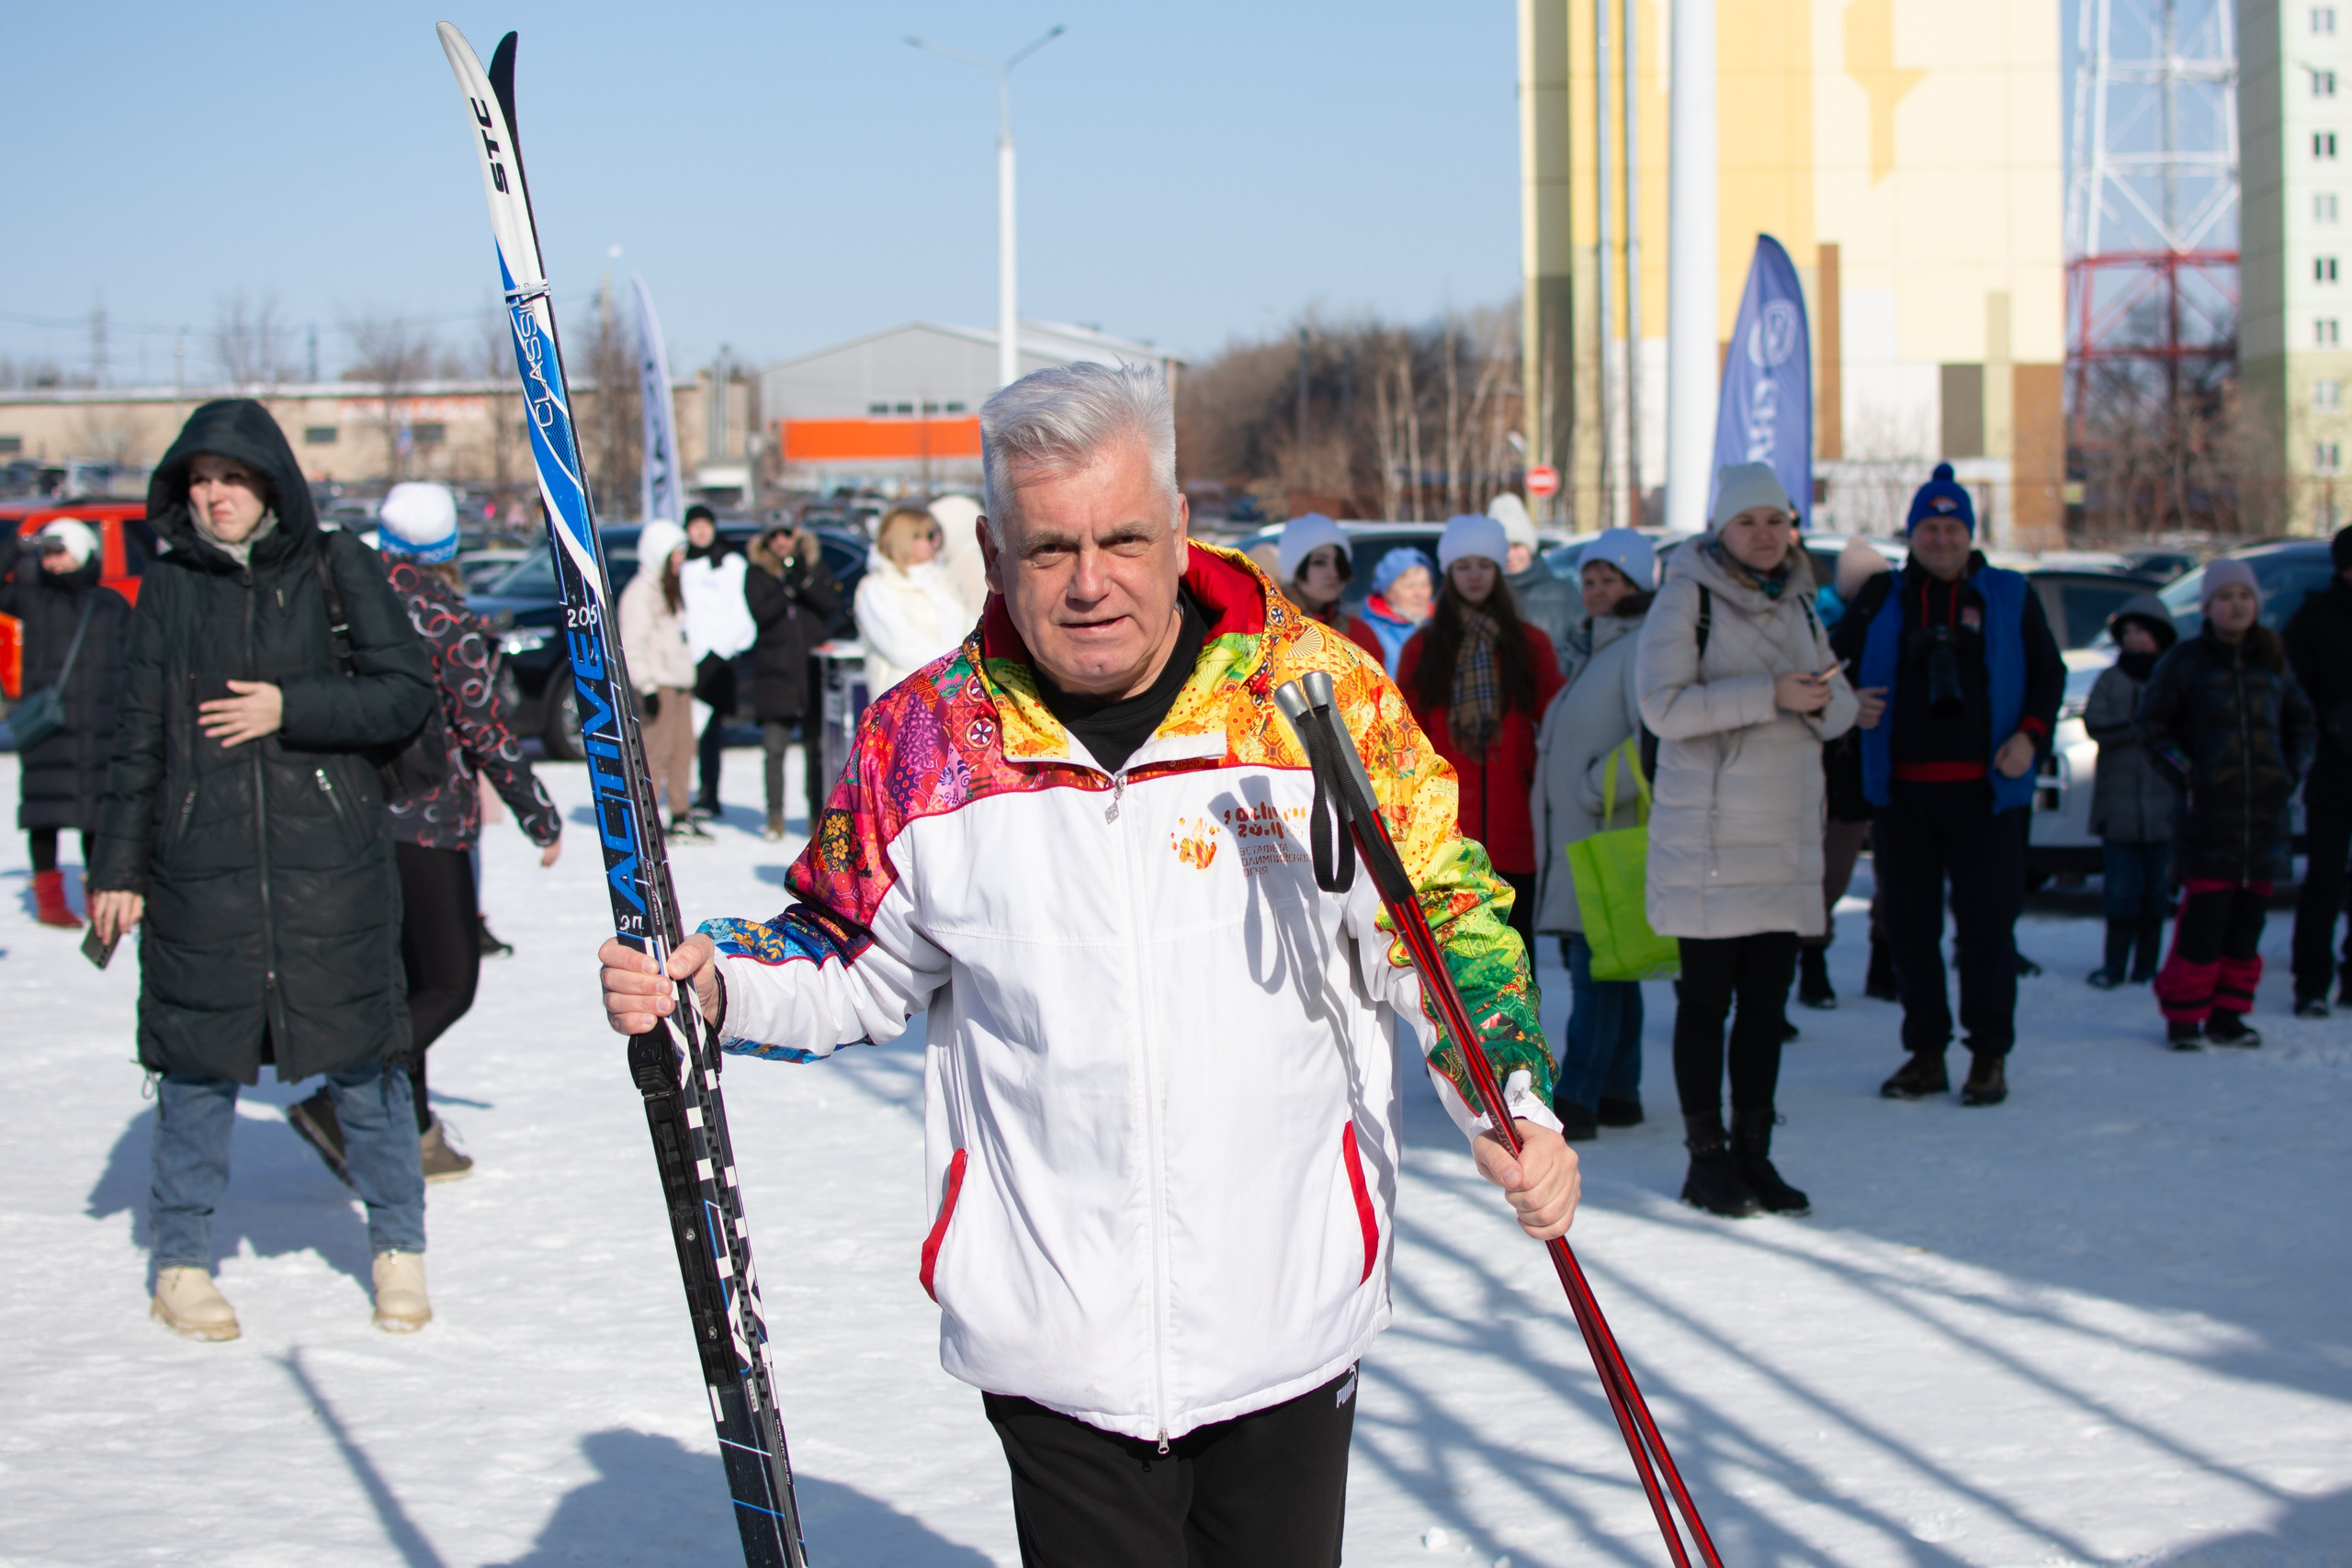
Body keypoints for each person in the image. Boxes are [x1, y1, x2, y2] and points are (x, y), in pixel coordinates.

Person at [597, 362, 1577, 1565]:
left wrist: (1509, 1094)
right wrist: (711, 980)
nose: (1090, 580)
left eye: (1121, 536)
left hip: (1287, 1310)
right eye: (1050, 547)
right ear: (997, 552)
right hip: (1054, 1333)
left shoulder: (1312, 698)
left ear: (1177, 531)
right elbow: (848, 952)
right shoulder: (927, 739)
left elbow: (1440, 912)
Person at [85, 399, 437, 1340]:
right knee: (195, 1074)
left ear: (270, 482)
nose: (214, 497)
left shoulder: (336, 565)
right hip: (201, 872)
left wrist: (292, 705)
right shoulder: (167, 590)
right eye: (199, 482)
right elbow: (134, 739)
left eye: (231, 479)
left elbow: (404, 694)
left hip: (333, 872)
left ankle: (398, 1249)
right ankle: (182, 1265)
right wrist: (116, 866)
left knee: (366, 1072)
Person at [282, 480, 565, 1186]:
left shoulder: (335, 601)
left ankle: (413, 1133)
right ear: (448, 548)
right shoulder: (441, 614)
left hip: (346, 816)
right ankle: (340, 1103)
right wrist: (537, 812)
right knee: (448, 981)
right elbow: (484, 725)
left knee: (402, 981)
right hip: (429, 820)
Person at [1638, 463, 1858, 1218]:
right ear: (1721, 530)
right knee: (1706, 1003)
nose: (1764, 536)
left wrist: (1836, 701)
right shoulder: (1686, 595)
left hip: (1786, 836)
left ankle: (1754, 1152)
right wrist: (1769, 695)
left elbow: (1831, 702)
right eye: (1747, 523)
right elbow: (1661, 707)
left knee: (1767, 1008)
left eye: (1776, 521)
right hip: (1710, 842)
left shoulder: (1801, 596)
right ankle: (1707, 1160)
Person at [1842, 463, 2064, 1108]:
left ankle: (1989, 1054)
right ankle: (1926, 1052)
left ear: (1970, 532)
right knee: (1910, 928)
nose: (1941, 538)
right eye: (1929, 527)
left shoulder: (2008, 593)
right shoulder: (1883, 595)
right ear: (1911, 534)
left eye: (1952, 526)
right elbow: (1829, 663)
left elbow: (2048, 677)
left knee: (1988, 928)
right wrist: (1849, 701)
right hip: (1903, 793)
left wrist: (2029, 735)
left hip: (1986, 794)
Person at [2143, 562, 2314, 1048]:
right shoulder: (2185, 661)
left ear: (2256, 604)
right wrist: (2189, 773)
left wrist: (2288, 771)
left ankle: (2229, 1015)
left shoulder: (2273, 660)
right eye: (2225, 597)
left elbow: (2303, 724)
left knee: (2246, 925)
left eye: (2244, 596)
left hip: (2263, 821)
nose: (2236, 605)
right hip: (2207, 822)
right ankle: (2183, 1016)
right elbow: (2153, 726)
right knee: (2203, 923)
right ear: (2208, 607)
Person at [1530, 527, 1657, 1140]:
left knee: (1596, 970)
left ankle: (1578, 1096)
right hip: (1586, 837)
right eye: (1590, 579)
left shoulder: (1641, 647)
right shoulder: (1596, 645)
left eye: (1612, 579)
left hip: (1609, 830)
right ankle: (1620, 1090)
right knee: (1613, 965)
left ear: (1638, 584)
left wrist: (1591, 785)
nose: (1597, 590)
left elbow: (1651, 735)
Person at [1399, 514, 1565, 962]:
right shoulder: (1424, 647)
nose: (1475, 575)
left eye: (1484, 565)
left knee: (1518, 959)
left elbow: (1556, 720)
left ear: (1498, 571)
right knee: (1459, 963)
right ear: (1450, 573)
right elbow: (1406, 735)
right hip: (1451, 828)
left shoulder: (1529, 644)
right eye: (1464, 565)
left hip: (1516, 824)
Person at [1, 518, 131, 929]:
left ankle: (99, 899)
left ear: (82, 551)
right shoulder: (35, 598)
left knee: (97, 818)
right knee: (45, 814)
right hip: (49, 727)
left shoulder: (111, 603)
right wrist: (18, 547)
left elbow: (133, 661)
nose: (53, 562)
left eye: (60, 552)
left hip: (100, 725)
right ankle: (50, 900)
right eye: (48, 554)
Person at [1800, 537, 1894, 1010]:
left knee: (1843, 876)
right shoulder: (1830, 629)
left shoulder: (1876, 622)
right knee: (1839, 876)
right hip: (1848, 773)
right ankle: (1832, 966)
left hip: (1855, 774)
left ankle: (1830, 968)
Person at [2083, 595, 2179, 989]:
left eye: (2143, 632)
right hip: (2118, 810)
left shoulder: (2172, 680)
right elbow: (2096, 724)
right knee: (2120, 892)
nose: (2135, 639)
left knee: (2156, 895)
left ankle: (2146, 966)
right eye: (2128, 632)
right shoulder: (2110, 679)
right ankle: (2113, 964)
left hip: (2164, 813)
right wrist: (2138, 725)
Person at [2283, 525, 2352, 1014]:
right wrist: (2328, 725)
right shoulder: (2314, 618)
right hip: (2331, 770)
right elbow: (2292, 692)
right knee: (2324, 880)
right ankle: (2311, 982)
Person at [745, 520, 843, 841]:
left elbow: (833, 605)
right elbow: (760, 613)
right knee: (774, 749)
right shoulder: (758, 573)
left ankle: (817, 814)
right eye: (773, 535)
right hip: (776, 675)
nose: (781, 541)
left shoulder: (813, 566)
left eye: (786, 534)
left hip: (811, 673)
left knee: (816, 750)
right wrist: (785, 588)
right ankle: (775, 816)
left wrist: (802, 581)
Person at [619, 521, 703, 842]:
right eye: (676, 553)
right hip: (660, 685)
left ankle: (680, 812)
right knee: (658, 753)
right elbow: (633, 643)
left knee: (684, 749)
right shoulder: (642, 592)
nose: (681, 559)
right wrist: (647, 685)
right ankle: (646, 819)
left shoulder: (671, 589)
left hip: (680, 684)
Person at [680, 504, 756, 822]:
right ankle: (682, 793)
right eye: (694, 525)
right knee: (685, 731)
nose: (700, 531)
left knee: (712, 732)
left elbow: (741, 611)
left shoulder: (732, 562)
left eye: (705, 524)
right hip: (688, 658)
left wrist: (726, 647)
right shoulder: (681, 564)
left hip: (720, 658)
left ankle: (710, 794)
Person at [854, 503, 973, 697]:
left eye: (936, 535)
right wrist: (956, 668)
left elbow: (967, 626)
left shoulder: (940, 579)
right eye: (929, 536)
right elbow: (900, 644)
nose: (935, 543)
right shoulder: (877, 587)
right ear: (906, 540)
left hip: (954, 696)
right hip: (906, 704)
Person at [1488, 491, 1578, 673]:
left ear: (1529, 547)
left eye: (1517, 546)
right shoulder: (1481, 597)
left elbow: (1584, 649)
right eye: (1502, 547)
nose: (1509, 555)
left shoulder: (1564, 594)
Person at [1276, 512, 1383, 657]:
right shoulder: (1269, 630)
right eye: (1320, 562)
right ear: (1295, 569)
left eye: (1339, 563)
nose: (1334, 573)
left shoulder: (1362, 635)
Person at [1359, 547, 1433, 675]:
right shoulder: (1369, 632)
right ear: (1387, 592)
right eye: (1409, 586)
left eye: (1424, 585)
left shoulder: (1441, 624)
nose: (1419, 594)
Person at [928, 491, 991, 623]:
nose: (932, 540)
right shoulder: (945, 562)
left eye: (937, 531)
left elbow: (979, 620)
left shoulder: (972, 569)